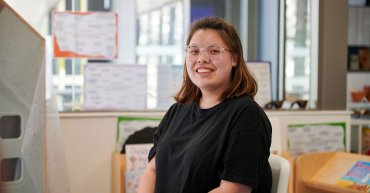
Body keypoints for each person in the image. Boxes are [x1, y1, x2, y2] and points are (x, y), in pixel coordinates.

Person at [137, 17, 272, 193]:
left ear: (234, 59)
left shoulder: (246, 115)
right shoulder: (177, 110)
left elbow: (233, 190)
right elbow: (152, 169)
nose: (202, 59)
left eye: (214, 51)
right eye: (193, 51)